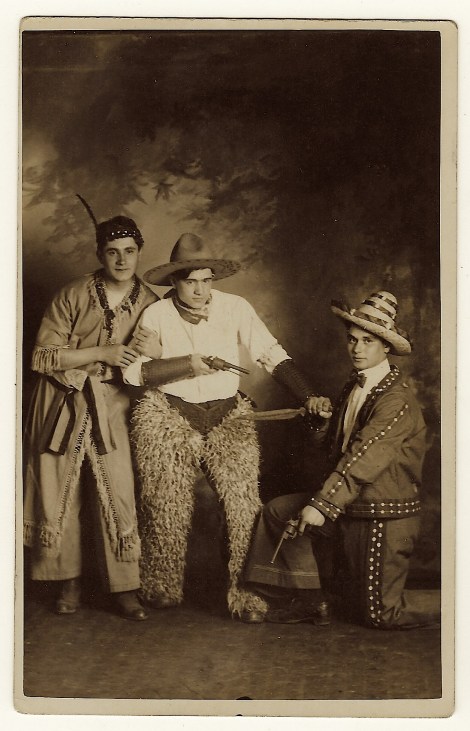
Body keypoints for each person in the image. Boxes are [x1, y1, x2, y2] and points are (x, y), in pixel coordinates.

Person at [123, 232, 331, 623]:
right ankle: (160, 586)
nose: (200, 290)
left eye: (206, 280)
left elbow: (270, 353)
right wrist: (186, 364)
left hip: (227, 415)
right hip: (169, 414)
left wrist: (308, 396)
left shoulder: (236, 307)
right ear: (174, 281)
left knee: (244, 508)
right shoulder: (156, 315)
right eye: (190, 281)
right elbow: (133, 373)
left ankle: (248, 594)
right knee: (164, 506)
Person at [244, 290, 441, 629]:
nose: (357, 349)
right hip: (350, 504)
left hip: (381, 513)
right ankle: (312, 600)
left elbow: (363, 458)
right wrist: (320, 423)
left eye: (368, 341)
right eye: (352, 339)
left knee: (381, 615)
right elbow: (334, 449)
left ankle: (457, 602)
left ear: (386, 347)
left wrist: (321, 505)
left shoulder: (396, 400)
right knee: (278, 511)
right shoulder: (355, 386)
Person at [23, 196, 158, 620]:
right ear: (100, 254)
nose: (122, 260)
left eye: (130, 251)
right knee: (59, 490)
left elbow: (153, 362)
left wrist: (143, 353)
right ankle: (68, 582)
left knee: (116, 491)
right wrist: (102, 351)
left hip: (114, 405)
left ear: (139, 252)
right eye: (112, 252)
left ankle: (125, 587)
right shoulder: (72, 294)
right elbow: (42, 357)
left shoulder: (151, 302)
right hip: (61, 402)